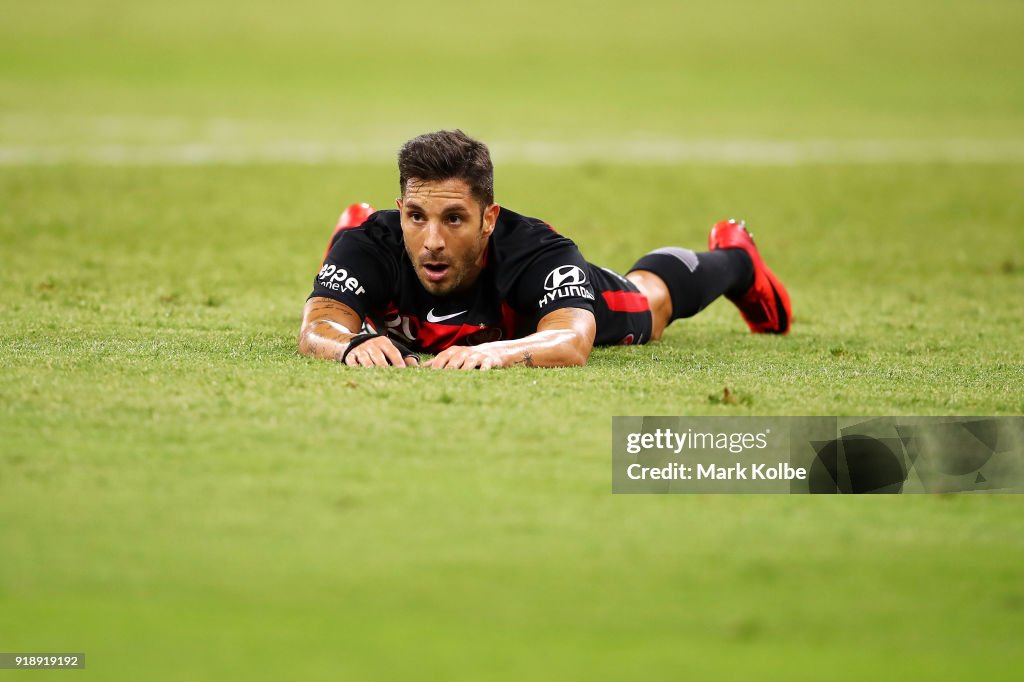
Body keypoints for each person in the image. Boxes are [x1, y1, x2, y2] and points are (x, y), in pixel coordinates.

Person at [298, 129, 791, 370]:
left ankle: (738, 259)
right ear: (400, 210)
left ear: (488, 219)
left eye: (454, 219)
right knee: (348, 271)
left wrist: (496, 352)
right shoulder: (376, 243)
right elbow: (316, 328)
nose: (432, 241)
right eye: (416, 217)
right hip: (376, 266)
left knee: (650, 301)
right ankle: (341, 249)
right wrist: (350, 344)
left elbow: (570, 342)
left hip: (576, 304)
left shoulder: (538, 253)